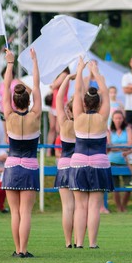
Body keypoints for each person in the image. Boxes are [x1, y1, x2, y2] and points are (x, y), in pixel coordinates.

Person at [0, 48, 42, 257]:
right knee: (25, 212)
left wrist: (10, 63)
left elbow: (5, 88)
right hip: (29, 166)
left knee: (15, 212)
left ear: (15, 101)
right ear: (28, 101)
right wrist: (34, 62)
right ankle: (23, 250)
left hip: (11, 166)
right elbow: (36, 86)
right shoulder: (35, 115)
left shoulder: (9, 115)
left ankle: (17, 249)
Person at [71, 57, 113, 248]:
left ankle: (79, 242)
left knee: (80, 206)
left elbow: (77, 91)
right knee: (94, 206)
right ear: (98, 103)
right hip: (99, 161)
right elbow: (106, 93)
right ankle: (93, 243)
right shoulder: (102, 117)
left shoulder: (78, 116)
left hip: (78, 160)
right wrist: (95, 72)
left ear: (84, 103)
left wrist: (80, 70)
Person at [55, 73, 76, 246]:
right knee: (80, 207)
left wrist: (67, 79)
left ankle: (68, 241)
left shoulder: (63, 122)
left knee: (67, 207)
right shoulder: (84, 123)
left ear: (68, 110)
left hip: (63, 165)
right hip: (79, 165)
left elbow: (58, 99)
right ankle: (79, 240)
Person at [107, 109, 132, 212]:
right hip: (112, 161)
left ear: (123, 119)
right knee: (115, 187)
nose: (118, 120)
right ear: (112, 119)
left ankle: (124, 206)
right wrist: (123, 146)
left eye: (120, 118)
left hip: (126, 161)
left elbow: (130, 144)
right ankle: (119, 208)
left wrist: (116, 146)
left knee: (129, 186)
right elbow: (110, 146)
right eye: (116, 118)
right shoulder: (110, 131)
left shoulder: (128, 129)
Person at [48, 69, 70, 153]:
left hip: (60, 104)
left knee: (58, 129)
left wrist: (53, 82)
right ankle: (49, 151)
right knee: (52, 128)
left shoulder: (64, 74)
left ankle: (58, 150)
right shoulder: (59, 75)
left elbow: (54, 86)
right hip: (53, 104)